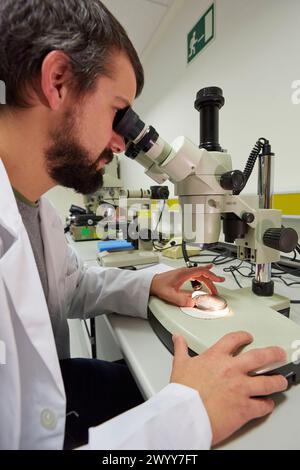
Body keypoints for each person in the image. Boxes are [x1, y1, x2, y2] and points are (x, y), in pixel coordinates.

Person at [0, 0, 288, 451]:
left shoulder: (33, 207)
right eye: (118, 113)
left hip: (50, 392)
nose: (121, 143)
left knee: (137, 380)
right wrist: (185, 421)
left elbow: (71, 287)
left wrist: (152, 284)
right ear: (57, 81)